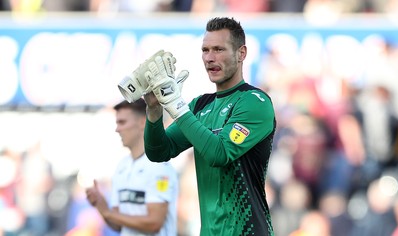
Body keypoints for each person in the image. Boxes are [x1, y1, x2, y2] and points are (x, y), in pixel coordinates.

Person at [142, 17, 276, 235]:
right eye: (205, 50)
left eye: (218, 49)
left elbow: (219, 154)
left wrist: (177, 106)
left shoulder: (254, 101)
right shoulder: (201, 105)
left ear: (241, 53)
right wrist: (155, 110)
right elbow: (159, 152)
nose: (210, 58)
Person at [85, 99, 179, 236]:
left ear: (142, 122)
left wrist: (108, 213)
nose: (117, 129)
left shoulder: (159, 165)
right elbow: (118, 225)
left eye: (122, 122)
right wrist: (100, 205)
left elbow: (154, 223)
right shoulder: (121, 166)